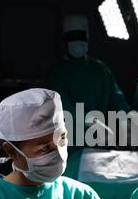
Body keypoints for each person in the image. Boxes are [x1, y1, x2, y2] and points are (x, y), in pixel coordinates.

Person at [45, 15, 129, 148]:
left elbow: (116, 98)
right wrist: (93, 122)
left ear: (88, 38)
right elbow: (63, 104)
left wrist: (126, 121)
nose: (77, 41)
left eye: (81, 36)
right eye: (73, 37)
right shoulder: (56, 72)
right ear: (64, 40)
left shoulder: (100, 69)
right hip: (70, 142)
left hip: (99, 141)